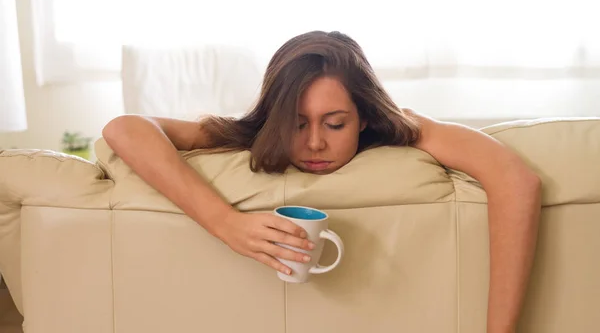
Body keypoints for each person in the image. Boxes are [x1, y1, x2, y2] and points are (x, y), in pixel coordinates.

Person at [103, 30, 541, 333]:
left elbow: (516, 180)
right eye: (296, 124)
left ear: (365, 116)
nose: (314, 143)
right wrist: (226, 223)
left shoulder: (402, 128)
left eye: (335, 124)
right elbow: (124, 128)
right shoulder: (250, 134)